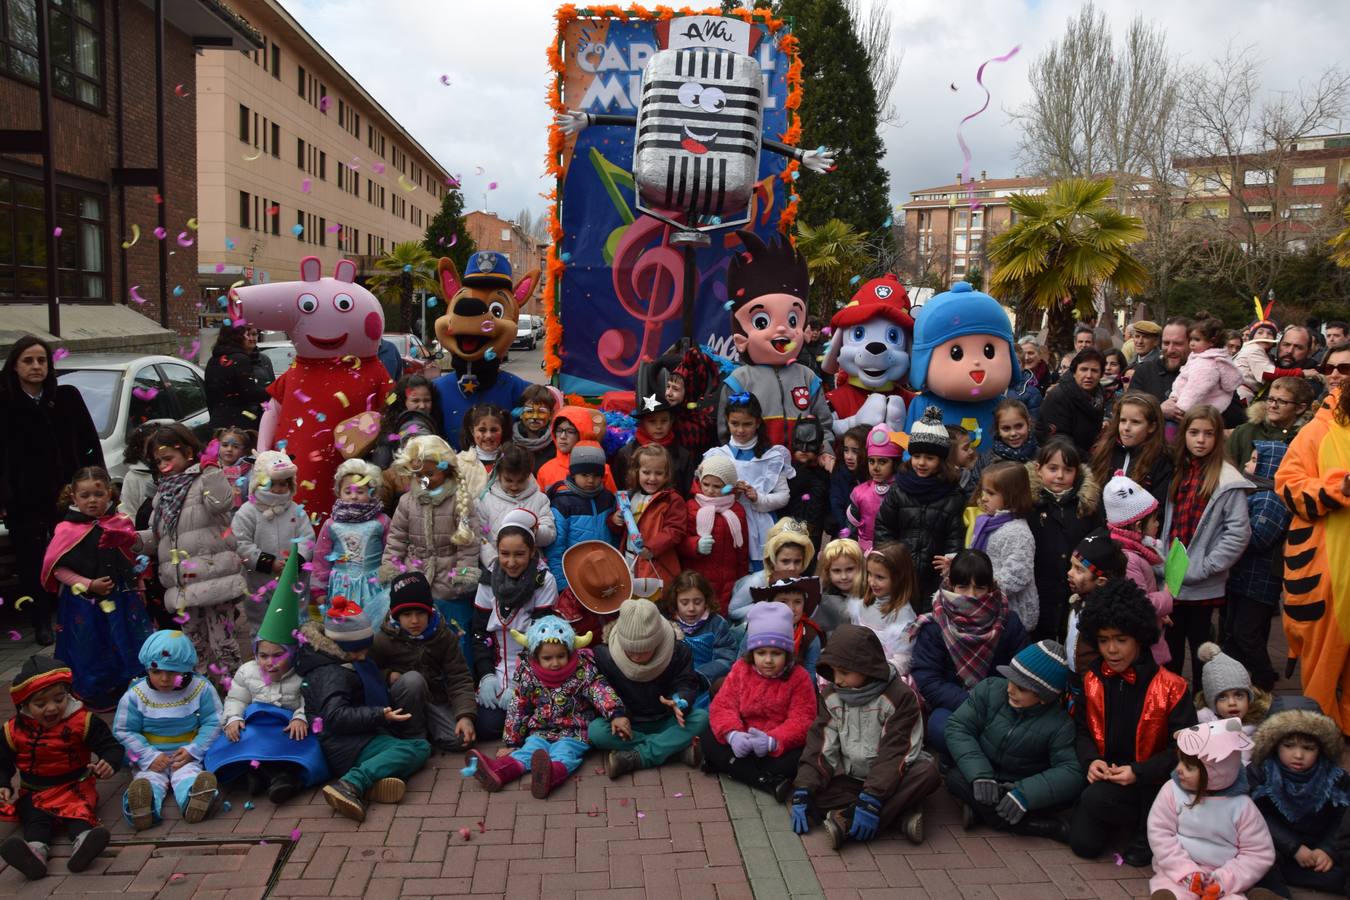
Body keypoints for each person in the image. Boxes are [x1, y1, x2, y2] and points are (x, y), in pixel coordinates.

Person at [1069, 583, 1194, 866]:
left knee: (1107, 805)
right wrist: (1091, 761)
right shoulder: (1091, 680)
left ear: (1139, 637)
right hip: (1111, 777)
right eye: (1103, 640)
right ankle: (1128, 819)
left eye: (1121, 639)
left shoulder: (1172, 687)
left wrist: (1139, 772)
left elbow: (1185, 749)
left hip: (1157, 782)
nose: (1111, 650)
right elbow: (1081, 730)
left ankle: (1149, 829)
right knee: (1084, 845)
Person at [791, 624, 938, 848]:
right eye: (833, 671)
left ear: (867, 667)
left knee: (927, 772)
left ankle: (847, 823)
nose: (837, 680)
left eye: (844, 672)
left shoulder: (900, 696)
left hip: (896, 775)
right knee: (811, 795)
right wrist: (804, 789)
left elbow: (895, 753)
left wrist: (872, 798)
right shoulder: (832, 696)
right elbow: (821, 746)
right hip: (855, 779)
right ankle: (902, 815)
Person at [0, 336, 105, 645]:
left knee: (72, 556)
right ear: (15, 366)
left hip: (68, 493)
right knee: (32, 561)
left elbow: (88, 442)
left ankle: (74, 616)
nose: (36, 367)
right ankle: (41, 621)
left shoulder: (66, 397)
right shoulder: (5, 401)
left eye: (41, 360)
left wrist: (97, 482)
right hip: (23, 497)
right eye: (28, 361)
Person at [203, 555, 327, 803]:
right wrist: (234, 718)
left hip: (288, 729)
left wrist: (301, 717)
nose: (270, 662)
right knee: (239, 740)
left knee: (306, 747)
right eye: (263, 656)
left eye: (278, 655)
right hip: (259, 729)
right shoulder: (248, 671)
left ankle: (276, 777)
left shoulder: (303, 672)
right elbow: (236, 697)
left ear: (292, 653)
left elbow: (310, 701)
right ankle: (260, 773)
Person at [297, 598, 431, 822]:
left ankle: (370, 784)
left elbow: (360, 686)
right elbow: (335, 716)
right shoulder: (331, 673)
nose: (363, 656)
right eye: (358, 650)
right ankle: (351, 783)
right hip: (345, 744)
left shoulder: (342, 661)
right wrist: (379, 714)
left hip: (360, 735)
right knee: (416, 748)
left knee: (418, 748)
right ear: (341, 646)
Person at [466, 616, 622, 798]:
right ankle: (499, 771)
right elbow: (519, 706)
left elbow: (600, 690)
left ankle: (551, 774)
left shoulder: (583, 669)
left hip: (574, 731)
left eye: (560, 656)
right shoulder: (529, 673)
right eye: (547, 658)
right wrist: (512, 742)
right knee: (528, 751)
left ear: (570, 652)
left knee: (564, 753)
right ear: (535, 656)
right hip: (540, 730)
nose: (555, 663)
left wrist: (615, 713)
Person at [38, 466, 151, 711]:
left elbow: (131, 559)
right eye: (85, 495)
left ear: (110, 494)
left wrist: (138, 583)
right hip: (85, 603)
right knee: (89, 644)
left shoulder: (120, 523)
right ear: (73, 497)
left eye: (98, 495)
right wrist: (89, 584)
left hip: (122, 597)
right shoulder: (66, 529)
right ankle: (95, 689)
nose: (92, 501)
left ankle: (128, 682)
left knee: (126, 637)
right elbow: (58, 570)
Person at [0, 656, 124, 880]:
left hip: (75, 788)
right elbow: (2, 761)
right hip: (34, 792)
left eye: (59, 699)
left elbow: (111, 746)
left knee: (80, 815)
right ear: (24, 705)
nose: (52, 708)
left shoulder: (84, 721)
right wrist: (3, 784)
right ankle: (34, 854)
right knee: (35, 819)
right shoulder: (12, 730)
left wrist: (109, 762)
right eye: (40, 704)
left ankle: (84, 843)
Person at [141, 426, 248, 684]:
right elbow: (158, 537)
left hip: (214, 580)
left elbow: (222, 503)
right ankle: (198, 692)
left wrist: (211, 470)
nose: (164, 465)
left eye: (168, 458)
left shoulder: (204, 479)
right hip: (184, 585)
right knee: (192, 643)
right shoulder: (164, 492)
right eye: (159, 461)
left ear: (188, 452)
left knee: (223, 643)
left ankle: (237, 691)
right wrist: (131, 539)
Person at [944, 640, 1080, 842]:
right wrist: (980, 774)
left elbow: (1071, 769)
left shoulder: (1060, 724)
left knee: (1063, 795)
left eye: (1021, 688)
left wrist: (1024, 793)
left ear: (1044, 697)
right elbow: (958, 726)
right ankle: (1039, 826)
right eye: (1009, 680)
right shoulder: (989, 689)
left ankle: (982, 812)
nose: (1010, 689)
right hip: (985, 770)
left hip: (1020, 783)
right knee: (954, 777)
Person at [1277, 374, 1350, 731]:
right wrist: (1338, 487)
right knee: (1323, 664)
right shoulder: (1318, 431)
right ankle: (1320, 740)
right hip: (1328, 575)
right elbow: (1288, 484)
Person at [1159, 406, 1253, 679]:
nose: (1200, 440)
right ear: (1183, 435)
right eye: (1194, 433)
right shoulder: (1177, 471)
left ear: (1218, 437)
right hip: (1172, 580)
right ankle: (1174, 708)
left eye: (1208, 434)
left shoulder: (1227, 480)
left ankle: (1205, 707)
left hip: (1203, 584)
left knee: (1202, 651)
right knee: (1171, 651)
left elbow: (1237, 533)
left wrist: (1208, 566)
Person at [1145, 719, 1277, 900]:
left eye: (1189, 766)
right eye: (1180, 762)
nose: (1179, 770)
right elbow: (1160, 833)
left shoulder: (1241, 805)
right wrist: (1186, 872)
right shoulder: (1171, 791)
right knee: (1174, 894)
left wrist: (1223, 881)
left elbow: (1258, 853)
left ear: (1216, 772)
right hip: (1178, 871)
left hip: (1223, 874)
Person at [381, 435, 486, 655]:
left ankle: (457, 681)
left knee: (455, 636)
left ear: (446, 469)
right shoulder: (407, 501)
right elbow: (397, 538)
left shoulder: (460, 501)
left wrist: (463, 574)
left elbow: (468, 543)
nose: (424, 479)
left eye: (430, 474)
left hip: (448, 580)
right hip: (415, 575)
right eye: (419, 475)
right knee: (417, 636)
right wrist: (393, 568)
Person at [702, 602, 816, 799]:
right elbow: (723, 705)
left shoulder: (800, 677)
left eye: (776, 653)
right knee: (708, 737)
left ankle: (732, 767)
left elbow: (803, 720)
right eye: (761, 653)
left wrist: (773, 741)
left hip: (774, 746)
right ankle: (766, 782)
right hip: (743, 740)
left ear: (787, 653)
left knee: (800, 757)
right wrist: (733, 735)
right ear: (752, 653)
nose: (768, 660)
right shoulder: (741, 669)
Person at [113, 630, 224, 830]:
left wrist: (194, 750)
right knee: (149, 780)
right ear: (147, 668)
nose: (164, 679)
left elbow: (214, 721)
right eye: (156, 672)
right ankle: (142, 807)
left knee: (189, 776)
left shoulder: (201, 689)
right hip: (152, 757)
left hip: (186, 754)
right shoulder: (136, 695)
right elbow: (123, 730)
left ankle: (195, 800)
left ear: (186, 668)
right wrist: (148, 756)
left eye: (172, 672)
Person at [588, 598, 706, 777]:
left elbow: (686, 682)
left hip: (666, 719)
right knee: (596, 731)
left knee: (702, 719)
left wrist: (679, 701)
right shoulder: (604, 655)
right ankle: (674, 751)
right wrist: (616, 715)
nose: (636, 656)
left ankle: (637, 757)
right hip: (629, 724)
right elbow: (601, 689)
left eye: (644, 650)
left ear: (658, 641)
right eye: (630, 651)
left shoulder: (679, 651)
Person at [470, 509, 559, 739]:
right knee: (487, 727)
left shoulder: (543, 581)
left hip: (534, 670)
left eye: (519, 554)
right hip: (497, 671)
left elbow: (543, 639)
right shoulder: (488, 579)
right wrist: (486, 675)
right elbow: (479, 633)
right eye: (504, 554)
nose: (511, 562)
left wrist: (519, 682)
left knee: (527, 718)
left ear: (531, 552)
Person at [372, 572, 479, 753]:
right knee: (413, 680)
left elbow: (458, 677)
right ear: (396, 615)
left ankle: (430, 729)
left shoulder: (444, 636)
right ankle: (414, 737)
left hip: (433, 700)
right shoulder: (383, 639)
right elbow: (369, 673)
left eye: (420, 613)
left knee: (462, 740)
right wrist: (388, 675)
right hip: (398, 706)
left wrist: (465, 716)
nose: (414, 621)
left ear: (429, 612)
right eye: (407, 614)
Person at [1247, 709, 1350, 897]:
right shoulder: (1260, 773)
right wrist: (1294, 848)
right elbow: (1257, 816)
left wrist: (1327, 850)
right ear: (1275, 745)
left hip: (1317, 849)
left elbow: (1341, 820)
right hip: (1279, 847)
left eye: (1308, 748)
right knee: (1261, 860)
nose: (1298, 755)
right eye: (1288, 746)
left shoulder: (1336, 777)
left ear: (1321, 749)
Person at [872, 406, 966, 610]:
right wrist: (887, 556)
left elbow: (955, 535)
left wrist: (951, 559)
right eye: (916, 456)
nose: (921, 463)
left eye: (930, 458)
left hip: (934, 576)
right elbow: (884, 526)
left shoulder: (952, 494)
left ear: (941, 460)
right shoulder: (899, 489)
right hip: (900, 570)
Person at [701, 393, 793, 572]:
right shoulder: (716, 455)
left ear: (758, 423)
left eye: (747, 424)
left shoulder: (772, 456)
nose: (740, 430)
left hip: (761, 527)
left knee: (761, 577)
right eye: (735, 424)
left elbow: (783, 497)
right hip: (725, 525)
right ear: (727, 421)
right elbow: (703, 493)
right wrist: (727, 494)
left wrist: (758, 498)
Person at [231, 451, 316, 634]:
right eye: (273, 484)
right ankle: (263, 654)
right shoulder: (248, 512)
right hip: (260, 580)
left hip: (293, 577)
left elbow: (307, 538)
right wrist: (267, 562)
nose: (278, 489)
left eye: (283, 484)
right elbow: (240, 543)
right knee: (262, 621)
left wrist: (296, 561)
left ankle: (296, 652)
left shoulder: (295, 510)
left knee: (296, 620)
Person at [1028, 438, 1103, 643]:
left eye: (1068, 470)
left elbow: (1096, 544)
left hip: (1076, 591)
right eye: (1052, 468)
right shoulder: (1029, 505)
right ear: (1038, 469)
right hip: (1041, 589)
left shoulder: (1086, 506)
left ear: (1076, 472)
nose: (1060, 476)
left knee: (1073, 641)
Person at [1101, 474, 1173, 669]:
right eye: (1155, 520)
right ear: (1139, 525)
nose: (1158, 524)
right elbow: (1140, 602)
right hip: (1141, 643)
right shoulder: (1129, 558)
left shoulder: (1129, 550)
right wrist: (1167, 597)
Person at [311, 458, 390, 625]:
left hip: (374, 585)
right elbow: (321, 557)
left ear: (371, 492)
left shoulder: (381, 521)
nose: (354, 496)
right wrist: (319, 588)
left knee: (375, 622)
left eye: (360, 491)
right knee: (345, 626)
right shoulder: (331, 524)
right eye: (348, 491)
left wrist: (391, 577)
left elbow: (391, 550)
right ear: (339, 492)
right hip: (342, 587)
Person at [967, 461, 1039, 633]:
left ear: (1011, 496)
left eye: (991, 493)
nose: (983, 497)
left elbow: (1018, 576)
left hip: (1010, 617)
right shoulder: (987, 523)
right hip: (985, 608)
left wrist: (980, 584)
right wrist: (957, 565)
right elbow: (974, 556)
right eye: (984, 491)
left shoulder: (1018, 532)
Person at [545, 444, 618, 596]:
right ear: (573, 474)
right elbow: (556, 548)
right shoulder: (563, 503)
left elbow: (615, 540)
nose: (591, 480)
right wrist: (562, 586)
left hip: (604, 574)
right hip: (573, 576)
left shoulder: (607, 498)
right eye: (584, 475)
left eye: (596, 475)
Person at [610, 444, 688, 587]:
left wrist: (651, 548)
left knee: (652, 603)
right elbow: (618, 531)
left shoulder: (672, 499)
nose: (652, 478)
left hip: (655, 561)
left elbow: (675, 530)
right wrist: (615, 521)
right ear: (636, 472)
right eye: (646, 472)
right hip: (628, 558)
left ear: (667, 474)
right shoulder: (630, 497)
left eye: (658, 473)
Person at [678, 455, 749, 607]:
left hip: (728, 580)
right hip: (696, 578)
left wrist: (742, 578)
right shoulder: (691, 506)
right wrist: (695, 545)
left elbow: (742, 550)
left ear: (729, 486)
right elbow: (680, 541)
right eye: (706, 484)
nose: (710, 490)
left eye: (717, 486)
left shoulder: (737, 510)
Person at [660, 571, 737, 706]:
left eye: (697, 602)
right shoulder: (666, 625)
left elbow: (726, 658)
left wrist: (700, 676)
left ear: (706, 601)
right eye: (684, 602)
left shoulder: (717, 624)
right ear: (675, 602)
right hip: (673, 683)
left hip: (706, 685)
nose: (691, 608)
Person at [477, 444, 556, 568]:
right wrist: (494, 562)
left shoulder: (539, 499)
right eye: (509, 480)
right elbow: (480, 536)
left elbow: (550, 534)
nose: (514, 486)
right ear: (498, 474)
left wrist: (535, 531)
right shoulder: (486, 500)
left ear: (529, 475)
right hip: (495, 569)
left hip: (531, 569)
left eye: (520, 481)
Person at [1064, 536, 1133, 674]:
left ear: (1101, 581)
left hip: (1095, 683)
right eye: (1071, 566)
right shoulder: (1078, 601)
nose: (1069, 573)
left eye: (1079, 569)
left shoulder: (1108, 616)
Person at [1090, 392, 1174, 505]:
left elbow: (1159, 507)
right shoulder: (1105, 450)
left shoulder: (1161, 460)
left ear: (1152, 427)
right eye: (1123, 420)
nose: (1126, 428)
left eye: (1135, 422)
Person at [1194, 643, 1269, 764]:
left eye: (1239, 695)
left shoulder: (1261, 730)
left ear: (1249, 697)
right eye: (1222, 697)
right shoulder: (1203, 732)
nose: (1232, 703)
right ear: (1211, 702)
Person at [850, 544, 920, 675]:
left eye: (880, 577)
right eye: (869, 574)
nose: (872, 582)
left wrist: (879, 673)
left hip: (883, 674)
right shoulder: (864, 603)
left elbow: (904, 658)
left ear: (899, 578)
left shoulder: (906, 618)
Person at [612, 396, 695, 499]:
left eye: (664, 421)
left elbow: (687, 492)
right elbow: (618, 488)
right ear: (642, 423)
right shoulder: (626, 453)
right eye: (652, 421)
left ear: (671, 421)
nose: (659, 426)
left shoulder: (683, 456)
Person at [1226, 377, 1314, 473]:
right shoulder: (1245, 431)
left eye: (1282, 402)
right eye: (1270, 399)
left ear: (1300, 408)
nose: (1273, 405)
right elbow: (1227, 471)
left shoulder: (1309, 439)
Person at [748, 576, 825, 681]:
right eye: (783, 602)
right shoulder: (757, 629)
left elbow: (812, 672)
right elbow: (744, 664)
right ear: (771, 604)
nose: (791, 608)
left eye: (797, 602)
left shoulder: (809, 634)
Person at [1164, 314, 1242, 417]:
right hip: (1190, 408)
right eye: (1190, 339)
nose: (1192, 343)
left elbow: (1196, 389)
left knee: (1170, 429)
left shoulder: (1207, 364)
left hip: (1194, 412)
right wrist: (1174, 396)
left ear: (1211, 341)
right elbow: (1184, 380)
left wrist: (1180, 408)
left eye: (1197, 340)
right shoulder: (1198, 356)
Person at [1039, 349, 1107, 456]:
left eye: (1094, 370)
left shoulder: (1099, 395)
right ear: (1074, 372)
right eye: (1083, 369)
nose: (1089, 375)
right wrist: (1091, 458)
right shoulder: (1059, 396)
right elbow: (1058, 442)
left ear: (1101, 374)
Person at [845, 423, 901, 553]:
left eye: (882, 462)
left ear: (895, 463)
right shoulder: (859, 492)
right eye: (872, 461)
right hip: (862, 555)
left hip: (893, 554)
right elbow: (850, 529)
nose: (875, 467)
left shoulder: (903, 492)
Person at [204, 324, 271, 431]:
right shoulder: (240, 359)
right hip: (239, 424)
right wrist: (273, 390)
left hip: (218, 422)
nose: (251, 338)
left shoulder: (213, 360)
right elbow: (251, 393)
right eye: (247, 334)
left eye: (254, 334)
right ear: (237, 336)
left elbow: (210, 396)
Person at [368, 374, 443, 469]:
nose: (422, 406)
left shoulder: (390, 424)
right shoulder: (413, 427)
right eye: (415, 401)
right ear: (402, 402)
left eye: (427, 400)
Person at [783, 415, 830, 547]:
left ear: (820, 447)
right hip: (787, 529)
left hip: (813, 532)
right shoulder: (786, 471)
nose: (803, 449)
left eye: (810, 444)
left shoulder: (825, 473)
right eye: (799, 443)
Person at [1130, 318, 1192, 419]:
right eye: (1166, 343)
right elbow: (1129, 411)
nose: (1170, 350)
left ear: (1191, 344)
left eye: (1178, 344)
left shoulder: (1204, 375)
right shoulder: (1145, 371)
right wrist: (1158, 411)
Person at [828, 424, 869, 540]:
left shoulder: (874, 476)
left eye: (855, 451)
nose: (849, 457)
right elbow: (837, 505)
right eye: (846, 450)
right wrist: (847, 533)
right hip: (845, 534)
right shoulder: (840, 473)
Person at [818, 537, 864, 635]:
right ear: (828, 572)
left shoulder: (870, 594)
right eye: (837, 571)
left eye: (850, 569)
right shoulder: (825, 601)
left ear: (861, 568)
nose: (844, 577)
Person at [512, 383, 559, 472]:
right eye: (529, 411)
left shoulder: (557, 442)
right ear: (521, 413)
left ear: (551, 414)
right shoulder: (510, 440)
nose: (534, 417)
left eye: (541, 411)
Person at [460, 404, 508, 475]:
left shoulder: (515, 459)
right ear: (472, 431)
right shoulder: (460, 463)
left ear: (503, 430)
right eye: (482, 430)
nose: (488, 436)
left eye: (494, 430)